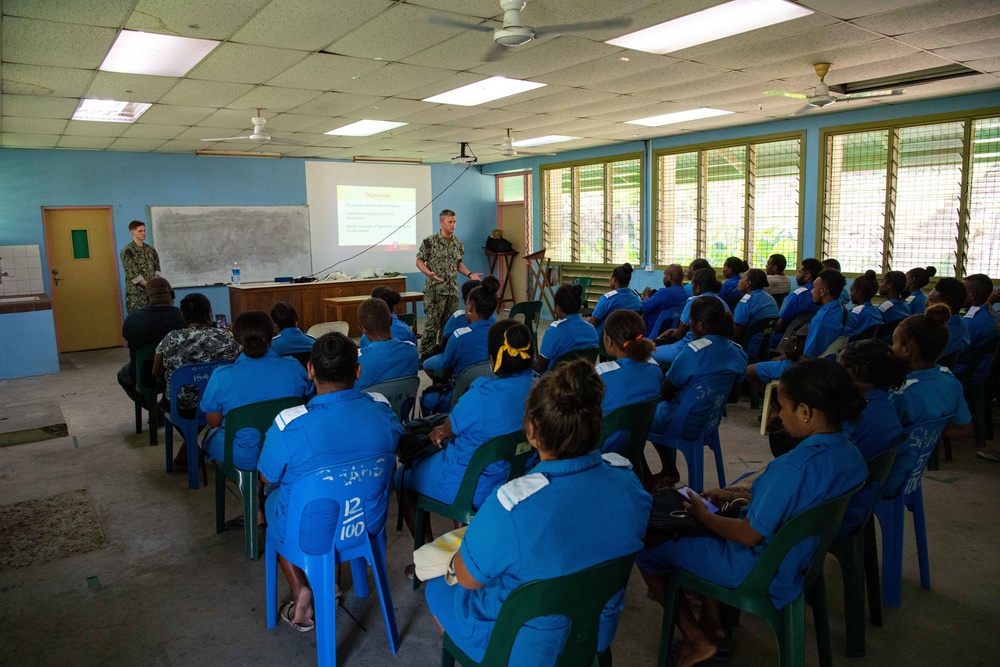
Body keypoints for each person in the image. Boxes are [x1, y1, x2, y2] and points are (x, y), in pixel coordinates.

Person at [638, 359, 867, 667]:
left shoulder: (792, 467)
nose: (776, 415)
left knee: (648, 548)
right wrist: (737, 497)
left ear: (805, 412)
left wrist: (702, 515)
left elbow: (748, 534)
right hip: (798, 562)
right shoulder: (851, 454)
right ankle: (714, 622)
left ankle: (696, 639)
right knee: (716, 521)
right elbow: (794, 508)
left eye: (782, 408)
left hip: (759, 569)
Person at [425, 360, 651, 666]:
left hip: (521, 648)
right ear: (597, 424)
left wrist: (453, 562)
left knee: (438, 588)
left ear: (531, 431)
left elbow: (467, 579)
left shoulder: (511, 507)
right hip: (593, 633)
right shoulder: (631, 487)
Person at [258, 332, 401, 632]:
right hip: (365, 523)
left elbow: (266, 475)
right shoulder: (383, 411)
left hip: (311, 533)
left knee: (277, 494)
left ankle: (300, 589)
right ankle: (332, 582)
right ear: (358, 371)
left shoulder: (290, 424)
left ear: (310, 370)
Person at [398, 321, 536, 542]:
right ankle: (465, 540)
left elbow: (448, 430)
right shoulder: (540, 387)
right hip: (517, 477)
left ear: (492, 359)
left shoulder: (481, 395)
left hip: (471, 485)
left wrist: (437, 433)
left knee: (402, 476)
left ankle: (426, 554)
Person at [648, 297, 748, 488]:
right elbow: (734, 397)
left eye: (690, 320)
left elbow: (666, 391)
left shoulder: (691, 352)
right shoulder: (738, 351)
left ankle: (656, 476)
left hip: (680, 422)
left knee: (640, 417)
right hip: (708, 422)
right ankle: (669, 471)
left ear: (699, 325)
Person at [200, 310, 311, 471]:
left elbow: (214, 422)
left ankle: (246, 480)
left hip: (243, 457)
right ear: (272, 336)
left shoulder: (221, 375)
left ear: (237, 339)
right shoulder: (293, 366)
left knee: (209, 436)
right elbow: (309, 399)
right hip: (289, 449)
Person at [152, 293, 241, 469]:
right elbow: (238, 366)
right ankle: (197, 446)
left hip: (182, 406)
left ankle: (190, 447)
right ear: (209, 314)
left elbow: (156, 372)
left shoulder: (171, 338)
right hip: (221, 403)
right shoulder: (228, 337)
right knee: (210, 396)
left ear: (183, 316)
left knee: (169, 401)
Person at [888, 305, 973, 487]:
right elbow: (965, 430)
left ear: (906, 349)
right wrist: (929, 433)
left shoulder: (900, 393)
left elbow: (881, 437)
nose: (890, 348)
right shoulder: (951, 382)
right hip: (915, 474)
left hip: (888, 478)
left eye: (893, 342)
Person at [836, 339, 907, 535]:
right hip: (861, 505)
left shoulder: (854, 417)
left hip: (835, 513)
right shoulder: (885, 407)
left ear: (853, 372)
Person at [748, 268, 846, 387]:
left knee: (750, 370)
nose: (811, 291)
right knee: (774, 360)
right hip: (830, 365)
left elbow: (807, 358)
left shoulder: (820, 321)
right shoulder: (843, 312)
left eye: (814, 288)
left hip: (811, 369)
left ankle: (782, 401)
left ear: (823, 291)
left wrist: (786, 359)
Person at [416, 209, 484, 357]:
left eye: (454, 222)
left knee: (448, 325)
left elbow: (458, 264)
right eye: (450, 222)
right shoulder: (430, 242)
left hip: (451, 290)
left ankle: (443, 353)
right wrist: (428, 272)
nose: (453, 225)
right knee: (432, 324)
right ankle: (426, 355)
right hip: (434, 290)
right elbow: (419, 261)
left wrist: (470, 274)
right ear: (441, 222)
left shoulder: (458, 243)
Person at [117, 276, 185, 406]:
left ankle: (155, 412)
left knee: (123, 376)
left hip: (145, 378)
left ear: (147, 298)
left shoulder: (132, 321)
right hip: (180, 376)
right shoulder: (184, 317)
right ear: (172, 295)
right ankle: (166, 408)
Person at [425, 276, 499, 379]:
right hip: (490, 379)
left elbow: (447, 367)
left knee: (427, 364)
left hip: (463, 386)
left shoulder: (458, 335)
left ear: (470, 305)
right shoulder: (499, 333)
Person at [652, 268, 729, 365]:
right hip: (716, 347)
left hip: (688, 346)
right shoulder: (723, 303)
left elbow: (679, 335)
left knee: (649, 353)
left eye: (692, 284)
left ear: (697, 287)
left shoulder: (694, 301)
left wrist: (667, 336)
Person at [596, 310, 662, 415]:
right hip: (640, 430)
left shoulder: (601, 375)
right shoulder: (655, 369)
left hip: (605, 431)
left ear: (609, 340)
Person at [534, 283, 599, 372]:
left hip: (556, 383)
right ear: (579, 306)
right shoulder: (592, 330)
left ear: (558, 309)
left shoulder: (554, 331)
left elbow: (540, 367)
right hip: (583, 380)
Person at [356, 297, 419, 390]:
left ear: (362, 328)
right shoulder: (412, 351)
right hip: (404, 404)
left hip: (372, 404)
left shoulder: (359, 361)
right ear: (391, 321)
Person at [955, 273, 1000, 382]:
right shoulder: (992, 314)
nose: (958, 295)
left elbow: (956, 352)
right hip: (981, 372)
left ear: (972, 294)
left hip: (965, 374)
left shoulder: (970, 322)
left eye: (962, 291)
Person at [732, 268, 779, 359]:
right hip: (764, 350)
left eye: (742, 278)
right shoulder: (770, 299)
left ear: (748, 283)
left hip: (747, 350)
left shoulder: (746, 302)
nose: (739, 281)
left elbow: (737, 330)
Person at [772, 257, 823, 341]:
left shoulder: (798, 295)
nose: (797, 275)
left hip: (786, 340)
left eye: (799, 272)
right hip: (809, 339)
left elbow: (779, 325)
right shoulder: (822, 295)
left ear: (807, 276)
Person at [587, 262, 642, 339]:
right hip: (626, 339)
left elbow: (592, 323)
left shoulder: (607, 299)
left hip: (604, 341)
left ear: (614, 279)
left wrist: (585, 321)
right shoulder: (637, 300)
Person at [120, 219, 161, 313]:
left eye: (144, 230)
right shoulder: (128, 251)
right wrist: (150, 286)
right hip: (137, 295)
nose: (143, 233)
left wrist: (155, 284)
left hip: (151, 295)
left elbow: (157, 269)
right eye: (140, 231)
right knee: (138, 320)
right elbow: (133, 274)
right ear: (132, 232)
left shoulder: (150, 250)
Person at [927, 277, 969, 360]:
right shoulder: (960, 325)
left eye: (931, 300)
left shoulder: (940, 335)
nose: (926, 302)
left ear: (944, 305)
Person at [641, 263, 687, 338]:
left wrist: (645, 296)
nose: (663, 278)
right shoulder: (685, 293)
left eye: (664, 275)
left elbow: (644, 308)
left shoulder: (664, 292)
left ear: (670, 277)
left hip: (651, 333)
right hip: (670, 334)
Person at [843, 270, 883, 339]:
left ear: (858, 293)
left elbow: (844, 334)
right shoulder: (876, 312)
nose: (850, 294)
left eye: (852, 290)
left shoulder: (856, 315)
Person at [877, 271, 912, 337]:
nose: (880, 285)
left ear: (889, 285)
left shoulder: (884, 308)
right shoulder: (905, 305)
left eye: (882, 282)